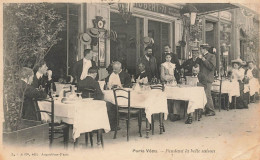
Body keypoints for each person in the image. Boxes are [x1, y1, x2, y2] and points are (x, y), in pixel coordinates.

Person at [195, 44, 216, 119]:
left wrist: (203, 59)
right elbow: (196, 65)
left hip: (207, 78)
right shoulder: (201, 57)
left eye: (201, 49)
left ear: (205, 49)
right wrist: (198, 58)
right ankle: (205, 109)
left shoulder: (212, 56)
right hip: (201, 78)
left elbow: (211, 67)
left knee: (207, 95)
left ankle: (211, 110)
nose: (200, 50)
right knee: (202, 94)